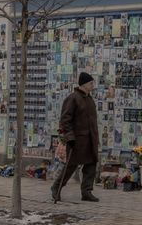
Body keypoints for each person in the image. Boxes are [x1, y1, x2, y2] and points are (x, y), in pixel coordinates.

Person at [52, 72, 100, 203]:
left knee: (91, 165)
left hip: (90, 139)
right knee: (71, 166)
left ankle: (87, 191)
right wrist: (69, 137)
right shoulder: (73, 98)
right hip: (77, 140)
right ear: (84, 84)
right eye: (91, 83)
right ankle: (56, 187)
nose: (93, 85)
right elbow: (65, 120)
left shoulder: (89, 99)